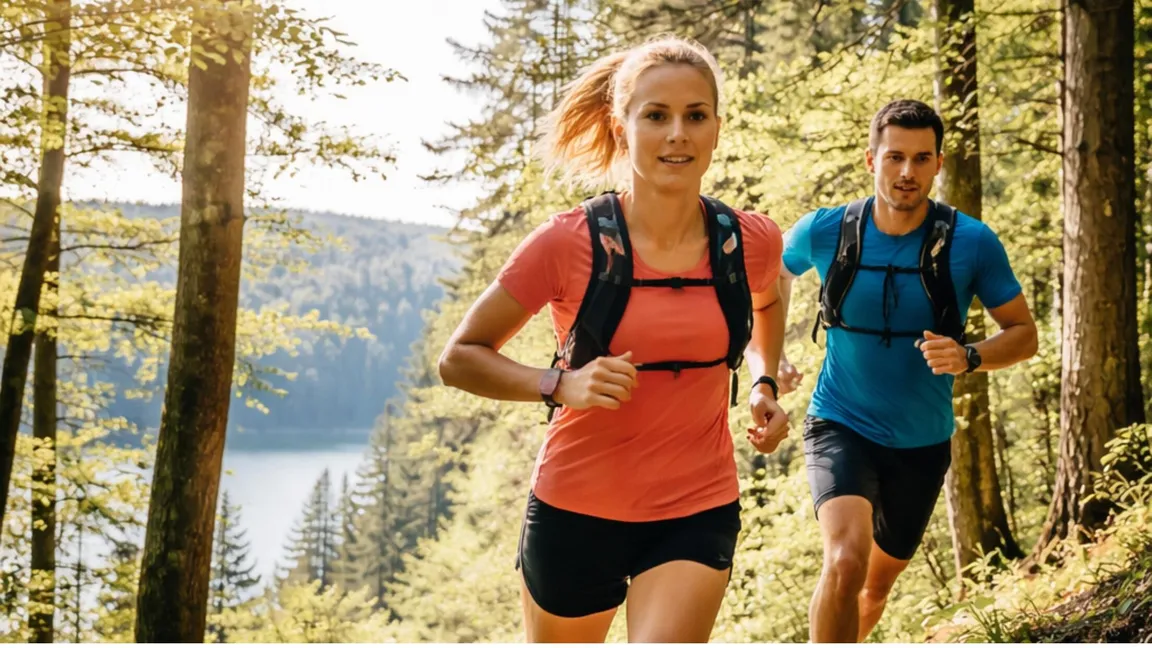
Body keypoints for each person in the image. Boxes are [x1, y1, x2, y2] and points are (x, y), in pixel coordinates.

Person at [438, 36, 790, 643]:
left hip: (696, 508)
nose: (677, 133)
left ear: (716, 129)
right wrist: (560, 384)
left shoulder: (750, 242)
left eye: (695, 116)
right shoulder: (567, 242)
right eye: (656, 116)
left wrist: (763, 380)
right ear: (622, 126)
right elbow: (459, 359)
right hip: (576, 512)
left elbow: (766, 303)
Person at [775, 98, 1039, 643]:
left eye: (921, 159)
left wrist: (969, 356)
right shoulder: (826, 231)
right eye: (895, 157)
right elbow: (771, 275)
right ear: (870, 158)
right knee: (845, 560)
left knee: (874, 587)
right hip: (839, 421)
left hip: (921, 442)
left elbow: (1023, 333)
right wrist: (772, 353)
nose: (907, 172)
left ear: (939, 163)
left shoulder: (971, 242)